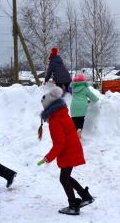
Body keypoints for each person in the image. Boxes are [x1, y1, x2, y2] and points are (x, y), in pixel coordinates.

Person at [38, 87, 94, 215]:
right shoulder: (62, 113)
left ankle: (73, 205)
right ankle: (85, 196)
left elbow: (59, 143)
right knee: (66, 177)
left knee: (64, 178)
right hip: (72, 149)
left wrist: (48, 157)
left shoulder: (55, 120)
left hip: (68, 151)